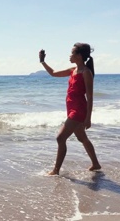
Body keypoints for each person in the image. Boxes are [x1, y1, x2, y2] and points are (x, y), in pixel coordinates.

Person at [39, 43, 101, 175]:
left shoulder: (86, 73)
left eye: (72, 53)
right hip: (71, 107)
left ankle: (56, 170)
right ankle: (95, 164)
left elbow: (90, 97)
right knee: (82, 138)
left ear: (79, 56)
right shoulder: (73, 70)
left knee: (60, 138)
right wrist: (42, 61)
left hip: (79, 109)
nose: (70, 55)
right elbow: (53, 73)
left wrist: (88, 118)